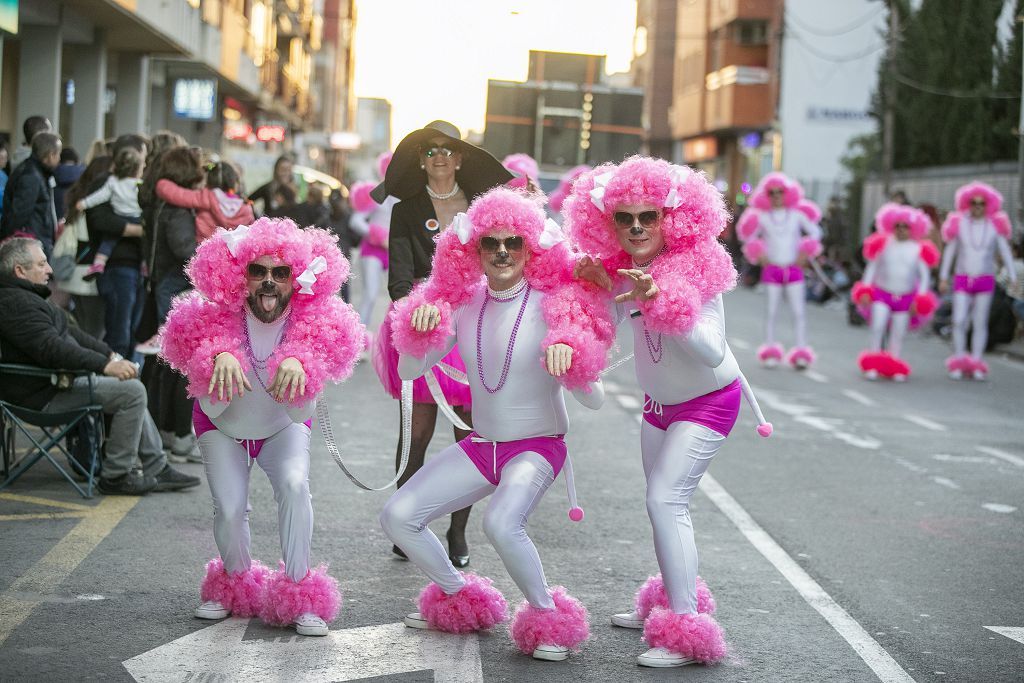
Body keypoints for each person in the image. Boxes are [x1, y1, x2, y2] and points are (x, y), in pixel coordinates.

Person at [380, 187, 613, 662]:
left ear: (532, 248)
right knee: (398, 517)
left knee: (502, 524)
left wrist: (571, 364)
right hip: (482, 445)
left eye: (514, 243)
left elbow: (595, 400)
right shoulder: (464, 303)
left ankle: (547, 616)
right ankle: (458, 596)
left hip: (537, 447)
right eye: (491, 243)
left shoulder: (555, 303)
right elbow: (408, 372)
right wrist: (420, 332)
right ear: (474, 251)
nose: (503, 252)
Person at [566, 157, 773, 668]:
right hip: (658, 406)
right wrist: (599, 287)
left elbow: (711, 350)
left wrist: (659, 299)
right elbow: (613, 321)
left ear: (672, 218)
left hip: (708, 403)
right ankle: (669, 601)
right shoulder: (624, 268)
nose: (636, 227)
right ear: (608, 221)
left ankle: (684, 627)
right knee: (659, 504)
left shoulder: (696, 268)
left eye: (648, 216)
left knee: (666, 501)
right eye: (624, 218)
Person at [160, 216, 364, 637]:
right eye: (258, 271)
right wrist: (217, 353)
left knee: (293, 485)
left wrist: (302, 361)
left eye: (280, 272)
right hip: (221, 425)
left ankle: (299, 590)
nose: (269, 282)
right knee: (230, 509)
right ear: (240, 275)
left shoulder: (316, 324)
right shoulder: (211, 316)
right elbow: (193, 362)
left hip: (281, 427)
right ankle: (234, 585)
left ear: (297, 277)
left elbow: (301, 406)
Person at [372, 120, 513, 566]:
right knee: (416, 433)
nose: (438, 157)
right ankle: (406, 526)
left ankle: (457, 533)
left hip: (475, 327)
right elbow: (398, 277)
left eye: (446, 150)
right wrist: (418, 312)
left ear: (460, 158)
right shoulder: (406, 208)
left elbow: (507, 262)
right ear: (421, 161)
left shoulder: (484, 208)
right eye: (429, 151)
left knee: (469, 436)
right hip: (422, 324)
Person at [0, 236, 199, 495]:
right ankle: (117, 475)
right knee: (132, 393)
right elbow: (53, 349)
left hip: (50, 384)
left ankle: (156, 466)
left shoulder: (26, 297)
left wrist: (112, 357)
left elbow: (73, 334)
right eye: (41, 264)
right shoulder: (16, 303)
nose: (49, 269)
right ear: (20, 271)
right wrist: (105, 365)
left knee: (128, 381)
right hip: (42, 394)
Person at [736, 172, 823, 369]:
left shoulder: (797, 215)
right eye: (772, 192)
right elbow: (749, 238)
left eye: (780, 192)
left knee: (798, 312)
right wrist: (759, 255)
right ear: (766, 195)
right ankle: (770, 352)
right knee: (771, 311)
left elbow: (816, 232)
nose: (776, 195)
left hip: (793, 269)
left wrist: (805, 252)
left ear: (787, 193)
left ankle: (801, 352)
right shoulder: (763, 217)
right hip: (772, 270)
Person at [851, 204, 940, 381]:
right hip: (882, 293)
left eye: (905, 226)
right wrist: (866, 288)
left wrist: (921, 298)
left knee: (898, 333)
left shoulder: (917, 249)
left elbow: (924, 276)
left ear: (913, 229)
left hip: (905, 297)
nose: (901, 230)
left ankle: (893, 363)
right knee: (878, 327)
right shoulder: (883, 244)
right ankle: (874, 363)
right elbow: (872, 268)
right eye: (897, 225)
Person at [939, 182, 1017, 380]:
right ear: (967, 203)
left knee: (980, 322)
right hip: (963, 278)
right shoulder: (959, 223)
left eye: (981, 203)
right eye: (973, 203)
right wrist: (943, 277)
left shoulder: (994, 225)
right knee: (958, 320)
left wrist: (1013, 276)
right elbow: (950, 251)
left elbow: (1005, 251)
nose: (977, 206)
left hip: (985, 279)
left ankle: (975, 361)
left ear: (988, 205)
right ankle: (958, 360)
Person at [75, 148, 145, 280]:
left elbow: (99, 196)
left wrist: (84, 203)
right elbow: (147, 201)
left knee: (108, 241)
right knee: (143, 242)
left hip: (119, 218)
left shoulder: (113, 182)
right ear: (138, 169)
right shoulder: (140, 185)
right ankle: (145, 265)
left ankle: (98, 264)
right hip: (137, 218)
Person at [348, 153, 396, 336]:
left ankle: (395, 339)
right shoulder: (377, 194)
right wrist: (376, 235)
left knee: (400, 297)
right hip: (373, 251)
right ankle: (357, 339)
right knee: (371, 294)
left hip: (395, 251)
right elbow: (356, 221)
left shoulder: (406, 196)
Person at [155, 159, 254, 243]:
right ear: (234, 182)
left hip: (204, 258)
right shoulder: (246, 208)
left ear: (208, 180)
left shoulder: (205, 197)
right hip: (233, 260)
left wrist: (159, 181)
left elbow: (169, 191)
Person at [1, 132, 62, 259]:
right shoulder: (32, 176)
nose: (59, 159)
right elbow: (19, 214)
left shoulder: (35, 172)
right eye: (58, 154)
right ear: (51, 155)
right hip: (31, 246)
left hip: (34, 242)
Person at [53, 147, 85, 221]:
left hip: (55, 224)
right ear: (77, 160)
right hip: (76, 224)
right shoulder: (86, 176)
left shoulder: (50, 175)